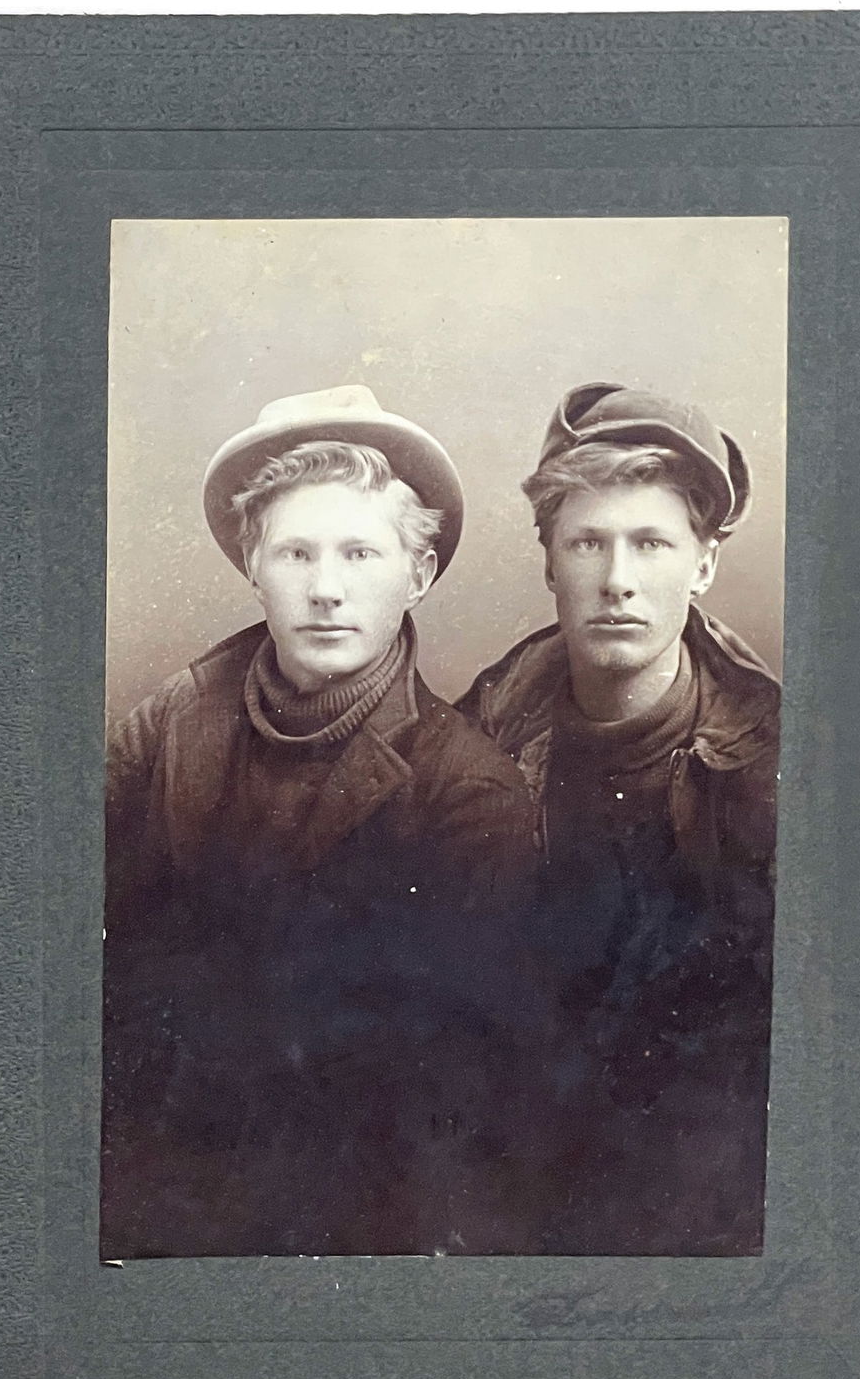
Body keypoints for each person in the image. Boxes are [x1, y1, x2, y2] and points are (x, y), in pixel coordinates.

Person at [102, 385, 537, 1258]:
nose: (327, 589)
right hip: (159, 1179)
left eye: (361, 553)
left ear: (417, 576)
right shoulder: (165, 726)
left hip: (360, 1210)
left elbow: (448, 1080)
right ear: (251, 565)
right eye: (296, 552)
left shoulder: (466, 791)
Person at [458, 381, 781, 1254]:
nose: (618, 581)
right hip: (511, 1177)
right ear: (549, 560)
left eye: (651, 543)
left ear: (704, 562)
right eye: (588, 542)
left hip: (702, 1199)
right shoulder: (469, 743)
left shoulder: (778, 768)